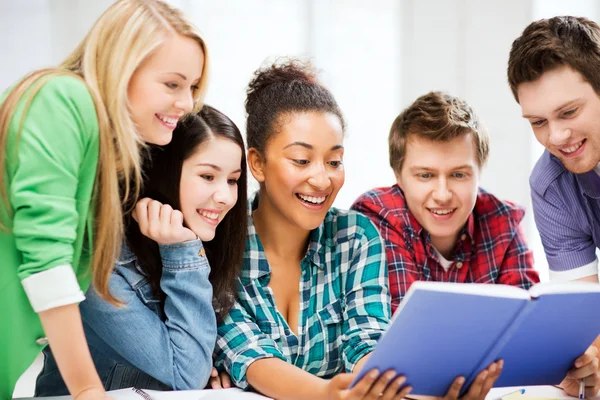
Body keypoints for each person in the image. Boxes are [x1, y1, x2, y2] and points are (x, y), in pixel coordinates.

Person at [212, 60, 501, 400]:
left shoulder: (357, 236)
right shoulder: (219, 240)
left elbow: (367, 337)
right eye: (301, 161)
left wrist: (398, 388)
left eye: (334, 161)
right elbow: (250, 354)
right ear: (257, 163)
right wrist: (329, 394)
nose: (322, 180)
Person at [0, 0, 208, 398]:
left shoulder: (104, 156)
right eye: (172, 84)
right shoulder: (62, 98)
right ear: (122, 67)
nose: (187, 104)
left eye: (192, 87)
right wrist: (86, 391)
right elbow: (46, 261)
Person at [35, 105, 248, 394]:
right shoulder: (101, 264)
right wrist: (182, 252)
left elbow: (196, 361)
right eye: (208, 176)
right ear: (165, 172)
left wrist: (218, 363)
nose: (225, 197)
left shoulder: (209, 247)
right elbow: (186, 376)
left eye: (233, 180)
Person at [352, 91, 539, 311]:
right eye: (425, 175)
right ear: (398, 176)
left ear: (479, 173)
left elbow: (526, 325)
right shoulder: (379, 217)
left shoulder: (503, 221)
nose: (442, 195)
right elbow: (409, 330)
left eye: (458, 175)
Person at [507, 16, 600, 397]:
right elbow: (585, 315)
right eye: (538, 122)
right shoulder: (551, 185)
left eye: (569, 112)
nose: (557, 137)